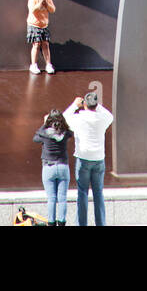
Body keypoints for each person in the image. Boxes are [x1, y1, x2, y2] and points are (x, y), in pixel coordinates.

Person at [63, 88, 113, 227]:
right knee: (98, 193)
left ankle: (81, 223)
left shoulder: (79, 118)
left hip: (83, 158)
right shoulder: (102, 118)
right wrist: (97, 105)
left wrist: (74, 105)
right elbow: (110, 115)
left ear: (85, 104)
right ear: (96, 105)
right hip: (98, 159)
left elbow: (64, 118)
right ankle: (101, 223)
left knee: (82, 192)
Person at [33, 109, 74, 225]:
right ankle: (61, 222)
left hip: (48, 167)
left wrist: (45, 123)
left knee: (51, 198)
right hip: (63, 167)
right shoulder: (65, 133)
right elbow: (70, 132)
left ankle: (51, 222)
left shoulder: (44, 134)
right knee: (62, 198)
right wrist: (63, 124)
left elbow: (35, 138)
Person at [27, 0, 56, 75]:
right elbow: (32, 10)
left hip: (44, 25)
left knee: (46, 45)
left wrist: (46, 3)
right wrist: (40, 3)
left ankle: (48, 65)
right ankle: (33, 65)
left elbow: (53, 10)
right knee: (36, 44)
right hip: (34, 25)